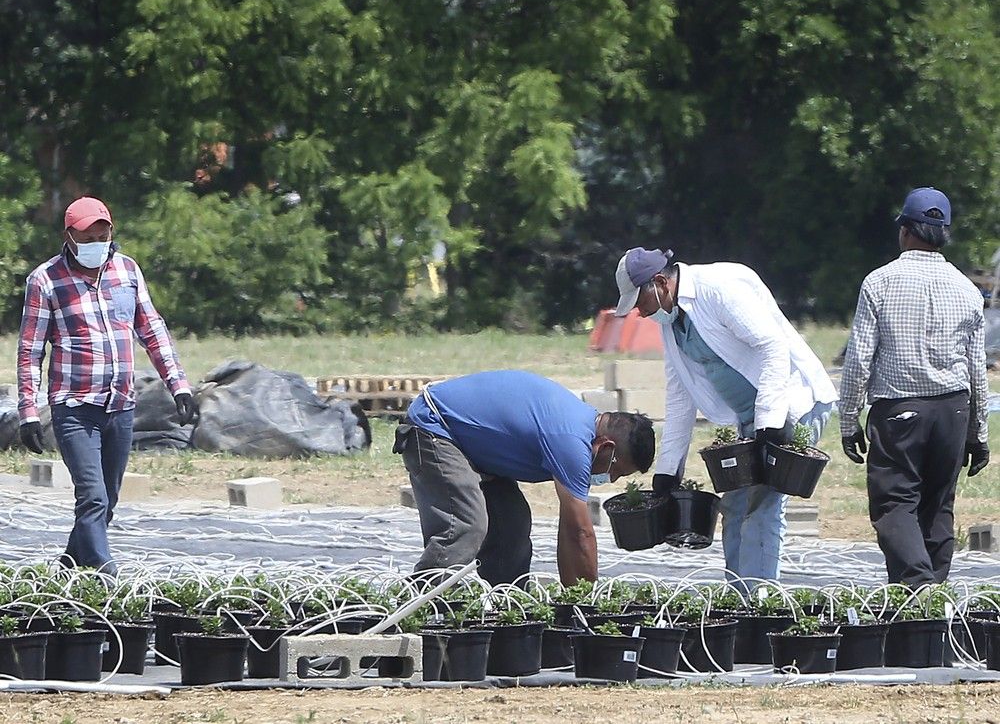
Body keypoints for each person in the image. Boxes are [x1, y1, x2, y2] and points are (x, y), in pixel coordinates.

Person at [614, 247, 838, 585]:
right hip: (754, 421)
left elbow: (772, 346)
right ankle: (737, 596)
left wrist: (770, 422)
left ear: (660, 282)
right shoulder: (672, 322)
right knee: (734, 507)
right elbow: (680, 395)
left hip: (791, 404)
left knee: (762, 504)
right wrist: (667, 471)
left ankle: (758, 602)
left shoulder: (717, 288)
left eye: (640, 303)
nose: (640, 314)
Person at [17, 196, 195, 575]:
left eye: (103, 232)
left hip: (120, 406)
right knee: (92, 496)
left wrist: (178, 384)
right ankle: (104, 574)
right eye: (87, 235)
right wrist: (29, 412)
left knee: (107, 499)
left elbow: (151, 330)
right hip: (74, 407)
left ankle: (66, 570)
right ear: (69, 236)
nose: (97, 240)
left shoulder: (127, 271)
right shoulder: (46, 280)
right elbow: (30, 351)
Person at [839, 187, 989, 587]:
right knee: (939, 507)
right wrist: (979, 435)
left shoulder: (880, 282)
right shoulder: (967, 289)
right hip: (953, 410)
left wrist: (848, 419)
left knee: (894, 505)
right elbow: (977, 368)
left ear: (905, 231)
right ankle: (931, 611)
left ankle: (918, 587)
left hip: (900, 410)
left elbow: (859, 358)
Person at [393, 370, 655, 585]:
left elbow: (568, 529)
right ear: (607, 447)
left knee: (512, 523)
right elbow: (581, 533)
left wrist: (571, 596)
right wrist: (589, 601)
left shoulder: (580, 429)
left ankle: (507, 606)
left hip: (475, 446)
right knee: (466, 524)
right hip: (437, 427)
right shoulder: (572, 441)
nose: (610, 479)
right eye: (615, 470)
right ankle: (421, 608)